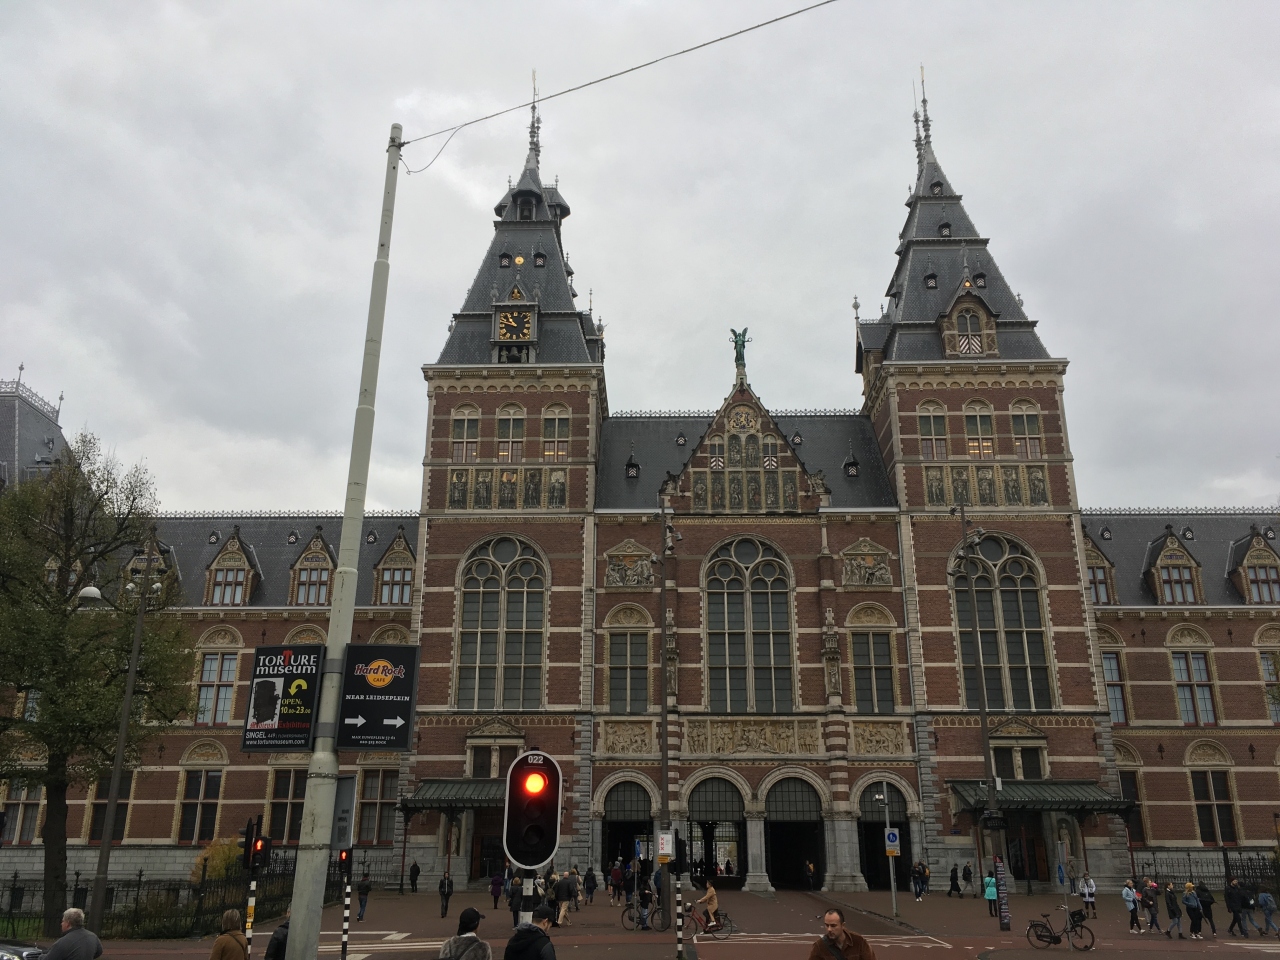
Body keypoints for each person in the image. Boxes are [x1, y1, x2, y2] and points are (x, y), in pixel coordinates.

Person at [806, 907, 877, 960]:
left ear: (843, 925)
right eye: (827, 925)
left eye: (833, 926)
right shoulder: (820, 946)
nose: (829, 929)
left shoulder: (859, 942)